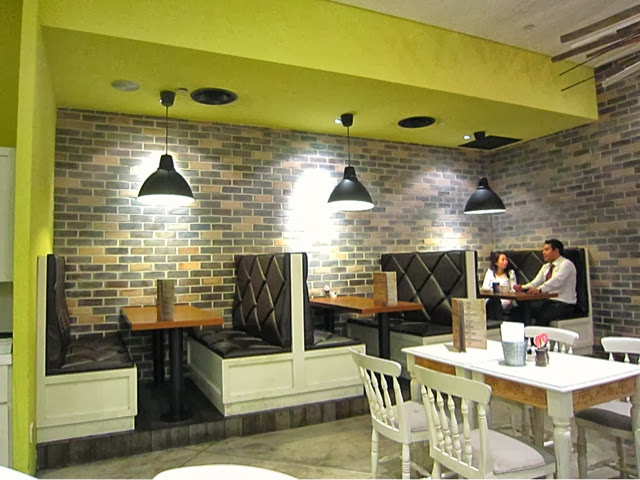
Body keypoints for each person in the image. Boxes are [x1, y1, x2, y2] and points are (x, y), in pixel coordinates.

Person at [510, 238, 577, 326]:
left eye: (546, 249)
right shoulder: (546, 267)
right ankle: (523, 334)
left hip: (564, 303)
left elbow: (556, 281)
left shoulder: (566, 264)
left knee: (543, 314)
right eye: (543, 250)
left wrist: (540, 289)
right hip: (548, 301)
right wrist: (522, 287)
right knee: (517, 311)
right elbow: (535, 282)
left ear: (556, 251)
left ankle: (538, 335)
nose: (543, 253)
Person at [482, 251, 517, 320]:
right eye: (502, 260)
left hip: (506, 299)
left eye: (506, 260)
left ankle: (498, 321)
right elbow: (484, 288)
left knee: (500, 303)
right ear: (496, 262)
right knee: (492, 302)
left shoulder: (510, 273)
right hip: (492, 299)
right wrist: (494, 289)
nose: (505, 262)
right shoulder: (490, 273)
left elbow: (514, 289)